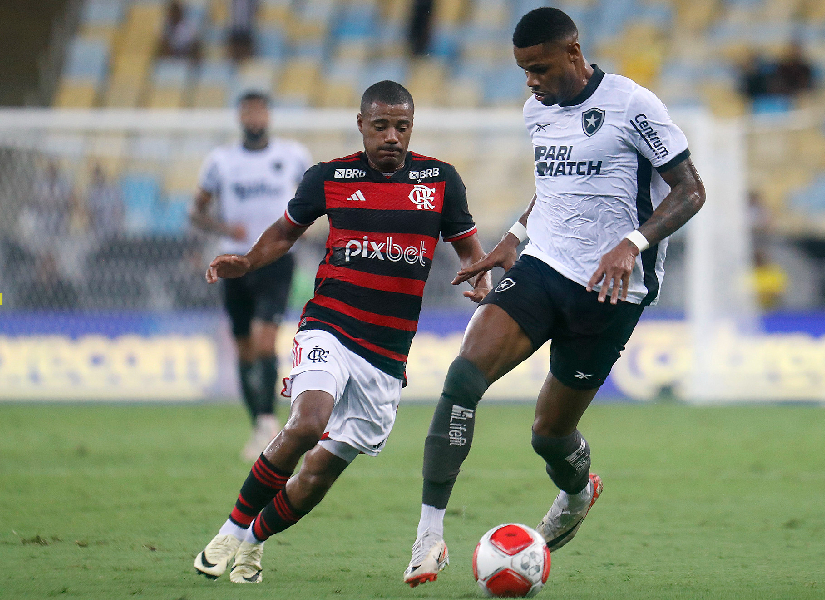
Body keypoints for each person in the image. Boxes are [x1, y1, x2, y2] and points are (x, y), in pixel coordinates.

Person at [403, 7, 706, 587]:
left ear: (573, 51)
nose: (530, 82)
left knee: (549, 434)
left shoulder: (632, 105)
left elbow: (691, 191)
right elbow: (554, 191)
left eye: (539, 68)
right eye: (523, 71)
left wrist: (633, 242)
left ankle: (576, 490)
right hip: (543, 268)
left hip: (612, 289)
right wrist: (513, 239)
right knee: (463, 378)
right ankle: (429, 536)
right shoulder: (536, 112)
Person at [193, 80, 490, 583]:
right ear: (361, 126)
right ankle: (231, 528)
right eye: (381, 126)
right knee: (307, 423)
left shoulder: (441, 182)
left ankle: (254, 539)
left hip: (387, 354)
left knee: (318, 473)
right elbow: (285, 233)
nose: (392, 136)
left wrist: (480, 276)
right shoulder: (329, 177)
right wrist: (246, 262)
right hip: (328, 325)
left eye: (402, 126)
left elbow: (469, 250)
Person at [191, 91, 313, 461]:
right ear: (240, 116)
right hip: (234, 260)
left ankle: (268, 423)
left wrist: (301, 228)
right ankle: (260, 422)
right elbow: (196, 212)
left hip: (275, 260)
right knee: (243, 347)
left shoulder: (292, 157)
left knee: (264, 343)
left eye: (260, 111)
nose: (255, 117)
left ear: (269, 116)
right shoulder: (220, 162)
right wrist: (224, 225)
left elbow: (313, 200)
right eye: (248, 111)